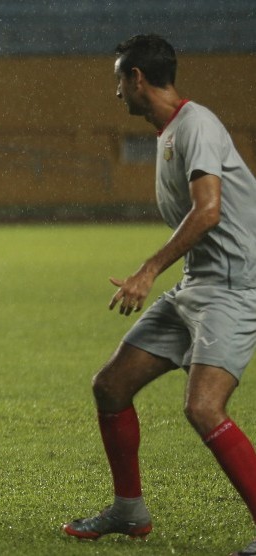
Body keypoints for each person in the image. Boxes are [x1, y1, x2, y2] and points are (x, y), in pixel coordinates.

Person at [61, 34, 256, 555]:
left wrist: (148, 269)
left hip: (234, 289)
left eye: (118, 81)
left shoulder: (197, 125)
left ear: (138, 78)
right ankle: (129, 511)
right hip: (198, 283)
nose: (116, 93)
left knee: (204, 408)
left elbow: (209, 210)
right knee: (110, 385)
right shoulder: (169, 133)